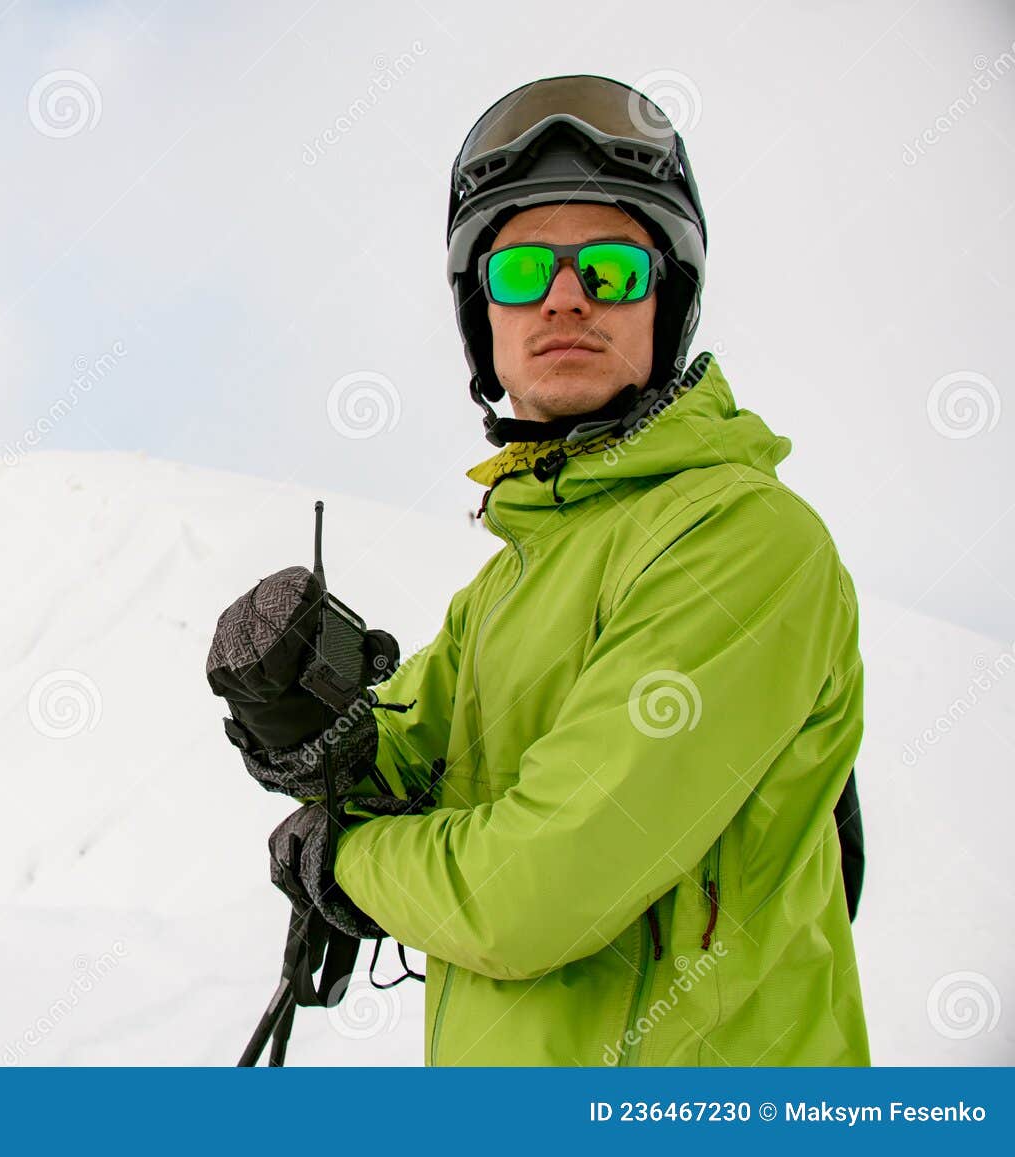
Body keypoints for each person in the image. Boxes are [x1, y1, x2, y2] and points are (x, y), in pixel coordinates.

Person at [207, 74, 868, 1066]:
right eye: (522, 274)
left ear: (664, 303)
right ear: (489, 323)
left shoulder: (743, 538)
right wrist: (303, 716)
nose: (565, 296)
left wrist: (343, 856)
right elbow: (400, 753)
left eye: (608, 267)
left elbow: (533, 891)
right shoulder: (506, 588)